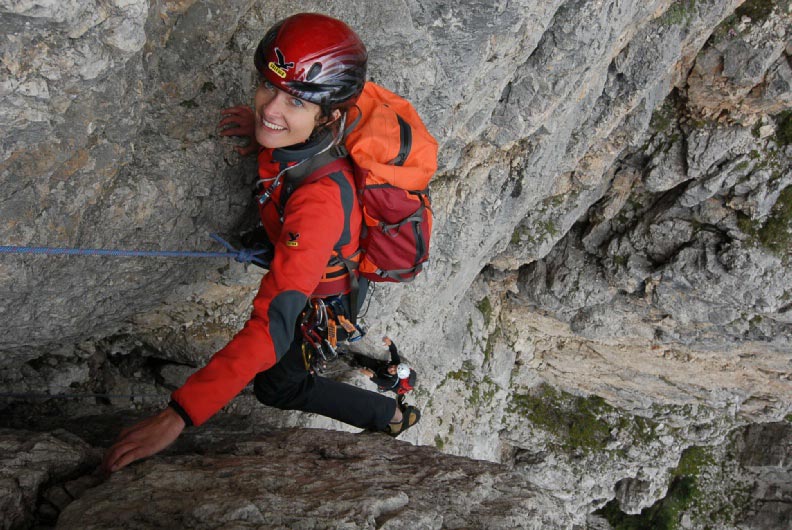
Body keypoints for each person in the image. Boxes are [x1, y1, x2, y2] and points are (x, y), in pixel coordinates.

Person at [102, 13, 420, 474]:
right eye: (267, 88)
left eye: (294, 103)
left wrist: (178, 415)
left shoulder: (319, 203)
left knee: (279, 388)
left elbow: (271, 327)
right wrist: (264, 136)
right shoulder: (313, 135)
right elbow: (286, 135)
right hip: (312, 255)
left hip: (320, 296)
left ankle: (391, 415)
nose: (272, 109)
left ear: (329, 116)